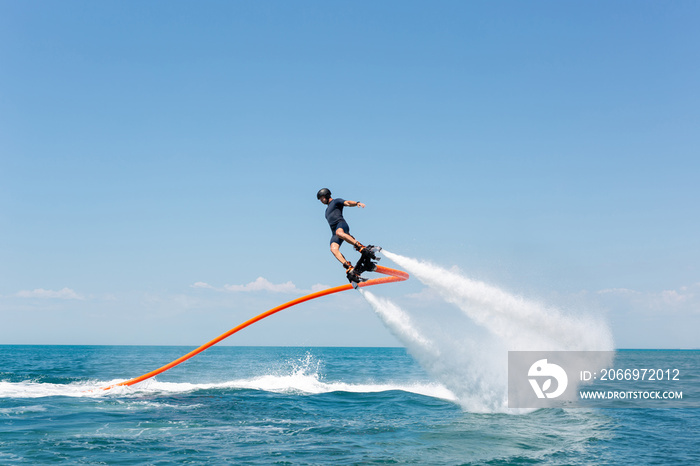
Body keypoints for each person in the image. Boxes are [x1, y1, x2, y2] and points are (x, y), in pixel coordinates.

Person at [317, 188, 370, 279]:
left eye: (322, 198)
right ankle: (349, 267)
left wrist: (357, 203)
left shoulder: (336, 201)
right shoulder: (326, 211)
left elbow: (347, 203)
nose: (321, 201)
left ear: (327, 195)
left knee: (339, 233)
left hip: (341, 225)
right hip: (335, 232)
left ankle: (361, 247)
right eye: (320, 199)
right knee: (333, 249)